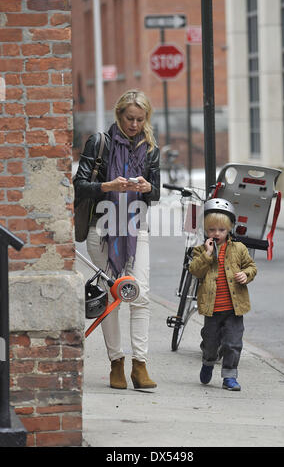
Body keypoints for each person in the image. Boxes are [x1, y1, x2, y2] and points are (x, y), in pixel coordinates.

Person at [74, 89, 160, 389]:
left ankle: (140, 365)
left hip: (137, 228)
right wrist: (107, 185)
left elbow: (157, 193)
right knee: (112, 297)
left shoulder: (150, 149)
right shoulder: (100, 143)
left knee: (141, 295)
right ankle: (116, 363)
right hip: (101, 229)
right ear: (118, 114)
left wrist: (148, 187)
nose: (134, 125)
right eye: (129, 118)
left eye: (140, 119)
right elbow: (80, 185)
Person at [189, 198, 257, 391]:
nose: (216, 233)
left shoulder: (239, 249)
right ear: (206, 231)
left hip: (234, 309)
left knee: (233, 343)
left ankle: (229, 376)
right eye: (212, 230)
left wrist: (246, 274)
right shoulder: (201, 250)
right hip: (212, 309)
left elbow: (251, 266)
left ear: (229, 230)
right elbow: (195, 270)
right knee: (210, 342)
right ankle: (208, 361)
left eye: (221, 230)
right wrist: (207, 255)